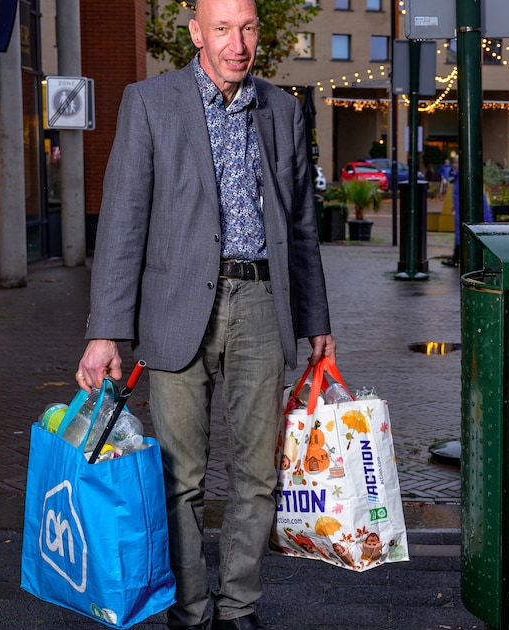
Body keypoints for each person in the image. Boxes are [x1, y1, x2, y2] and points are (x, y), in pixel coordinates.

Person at [74, 0, 334, 628]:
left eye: (246, 28)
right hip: (173, 311)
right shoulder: (148, 103)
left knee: (257, 474)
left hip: (262, 306)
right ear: (196, 34)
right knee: (177, 479)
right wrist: (106, 331)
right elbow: (123, 223)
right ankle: (189, 613)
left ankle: (238, 607)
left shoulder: (282, 108)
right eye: (222, 29)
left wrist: (315, 320)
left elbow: (301, 225)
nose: (236, 44)